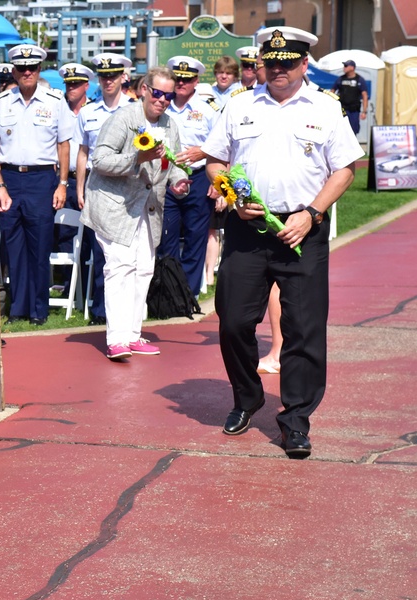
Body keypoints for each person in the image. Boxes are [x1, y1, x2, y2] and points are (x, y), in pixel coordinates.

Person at [204, 26, 364, 459]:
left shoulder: (326, 108)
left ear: (303, 64)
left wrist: (311, 213)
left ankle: (295, 420)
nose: (277, 70)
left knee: (304, 329)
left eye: (286, 63)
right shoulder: (239, 105)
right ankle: (248, 396)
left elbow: (346, 168)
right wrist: (233, 198)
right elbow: (216, 161)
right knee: (233, 320)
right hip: (248, 227)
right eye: (269, 63)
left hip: (301, 233)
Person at [83, 67, 191, 361]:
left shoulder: (170, 125)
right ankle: (116, 339)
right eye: (157, 93)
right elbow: (100, 159)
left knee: (144, 267)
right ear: (144, 89)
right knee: (120, 266)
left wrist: (178, 180)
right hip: (114, 205)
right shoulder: (123, 119)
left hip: (149, 206)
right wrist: (136, 158)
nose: (162, 100)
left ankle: (132, 334)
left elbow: (173, 162)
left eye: (169, 96)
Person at [0, 44, 73, 326]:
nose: (27, 72)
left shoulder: (54, 101)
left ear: (39, 70)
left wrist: (62, 183)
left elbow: (64, 145)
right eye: (21, 68)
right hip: (10, 179)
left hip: (42, 179)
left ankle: (39, 309)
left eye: (33, 68)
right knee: (13, 247)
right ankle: (18, 307)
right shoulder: (1, 102)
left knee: (39, 248)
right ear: (14, 71)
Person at [76, 52, 134, 326]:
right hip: (98, 189)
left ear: (123, 77)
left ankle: (129, 312)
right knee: (101, 254)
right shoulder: (88, 112)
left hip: (129, 190)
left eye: (113, 75)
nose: (108, 81)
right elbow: (83, 153)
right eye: (103, 76)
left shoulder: (136, 109)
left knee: (130, 256)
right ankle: (101, 311)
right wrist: (78, 188)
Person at [159, 56, 219, 299]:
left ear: (196, 81)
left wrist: (218, 183)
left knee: (196, 237)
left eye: (187, 79)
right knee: (166, 235)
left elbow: (221, 148)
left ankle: (189, 293)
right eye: (177, 79)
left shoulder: (208, 111)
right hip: (166, 179)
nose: (181, 83)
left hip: (198, 177)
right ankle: (170, 292)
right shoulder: (161, 106)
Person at [55, 62, 93, 293]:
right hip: (64, 179)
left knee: (89, 233)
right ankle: (70, 285)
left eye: (76, 84)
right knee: (65, 233)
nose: (72, 88)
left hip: (89, 177)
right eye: (69, 84)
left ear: (86, 86)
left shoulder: (94, 111)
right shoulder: (59, 110)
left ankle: (87, 283)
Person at [334, 60, 369, 135]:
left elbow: (365, 95)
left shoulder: (359, 80)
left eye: (346, 66)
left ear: (352, 68)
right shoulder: (341, 79)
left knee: (353, 131)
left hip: (354, 110)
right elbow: (332, 91)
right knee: (341, 131)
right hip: (342, 110)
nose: (344, 68)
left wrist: (364, 111)